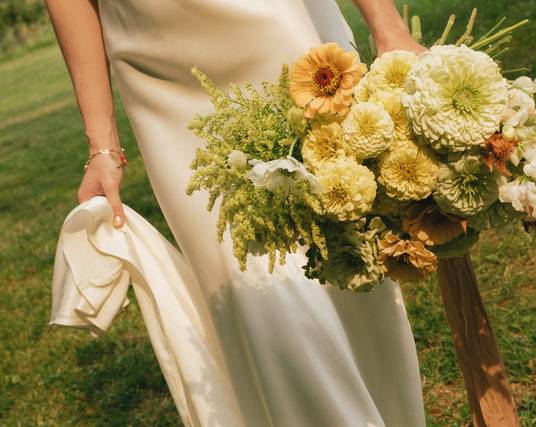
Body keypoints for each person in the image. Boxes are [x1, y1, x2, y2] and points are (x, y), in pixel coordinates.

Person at [46, 0, 429, 425]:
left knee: (342, 263)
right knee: (256, 291)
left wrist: (386, 25)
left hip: (272, 32)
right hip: (159, 77)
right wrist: (101, 147)